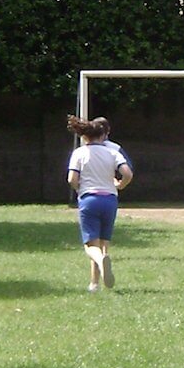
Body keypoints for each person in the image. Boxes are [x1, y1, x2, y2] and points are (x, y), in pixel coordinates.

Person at [68, 115, 133, 292]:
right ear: (102, 135)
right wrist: (120, 185)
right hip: (110, 200)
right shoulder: (113, 152)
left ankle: (98, 268)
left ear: (85, 136)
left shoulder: (80, 153)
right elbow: (127, 173)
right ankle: (95, 283)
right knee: (104, 243)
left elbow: (72, 178)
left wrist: (78, 189)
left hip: (89, 199)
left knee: (90, 245)